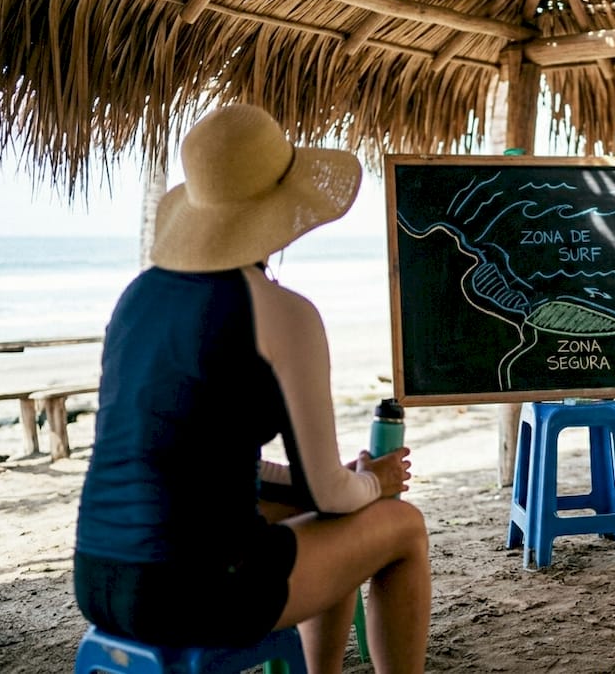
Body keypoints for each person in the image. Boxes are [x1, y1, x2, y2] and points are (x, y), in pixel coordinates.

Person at [73, 104, 430, 674]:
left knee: (326, 516)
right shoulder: (283, 313)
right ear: (280, 211)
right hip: (197, 590)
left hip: (96, 578)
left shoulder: (136, 298)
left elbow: (183, 458)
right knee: (401, 526)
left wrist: (343, 482)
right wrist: (373, 480)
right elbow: (332, 495)